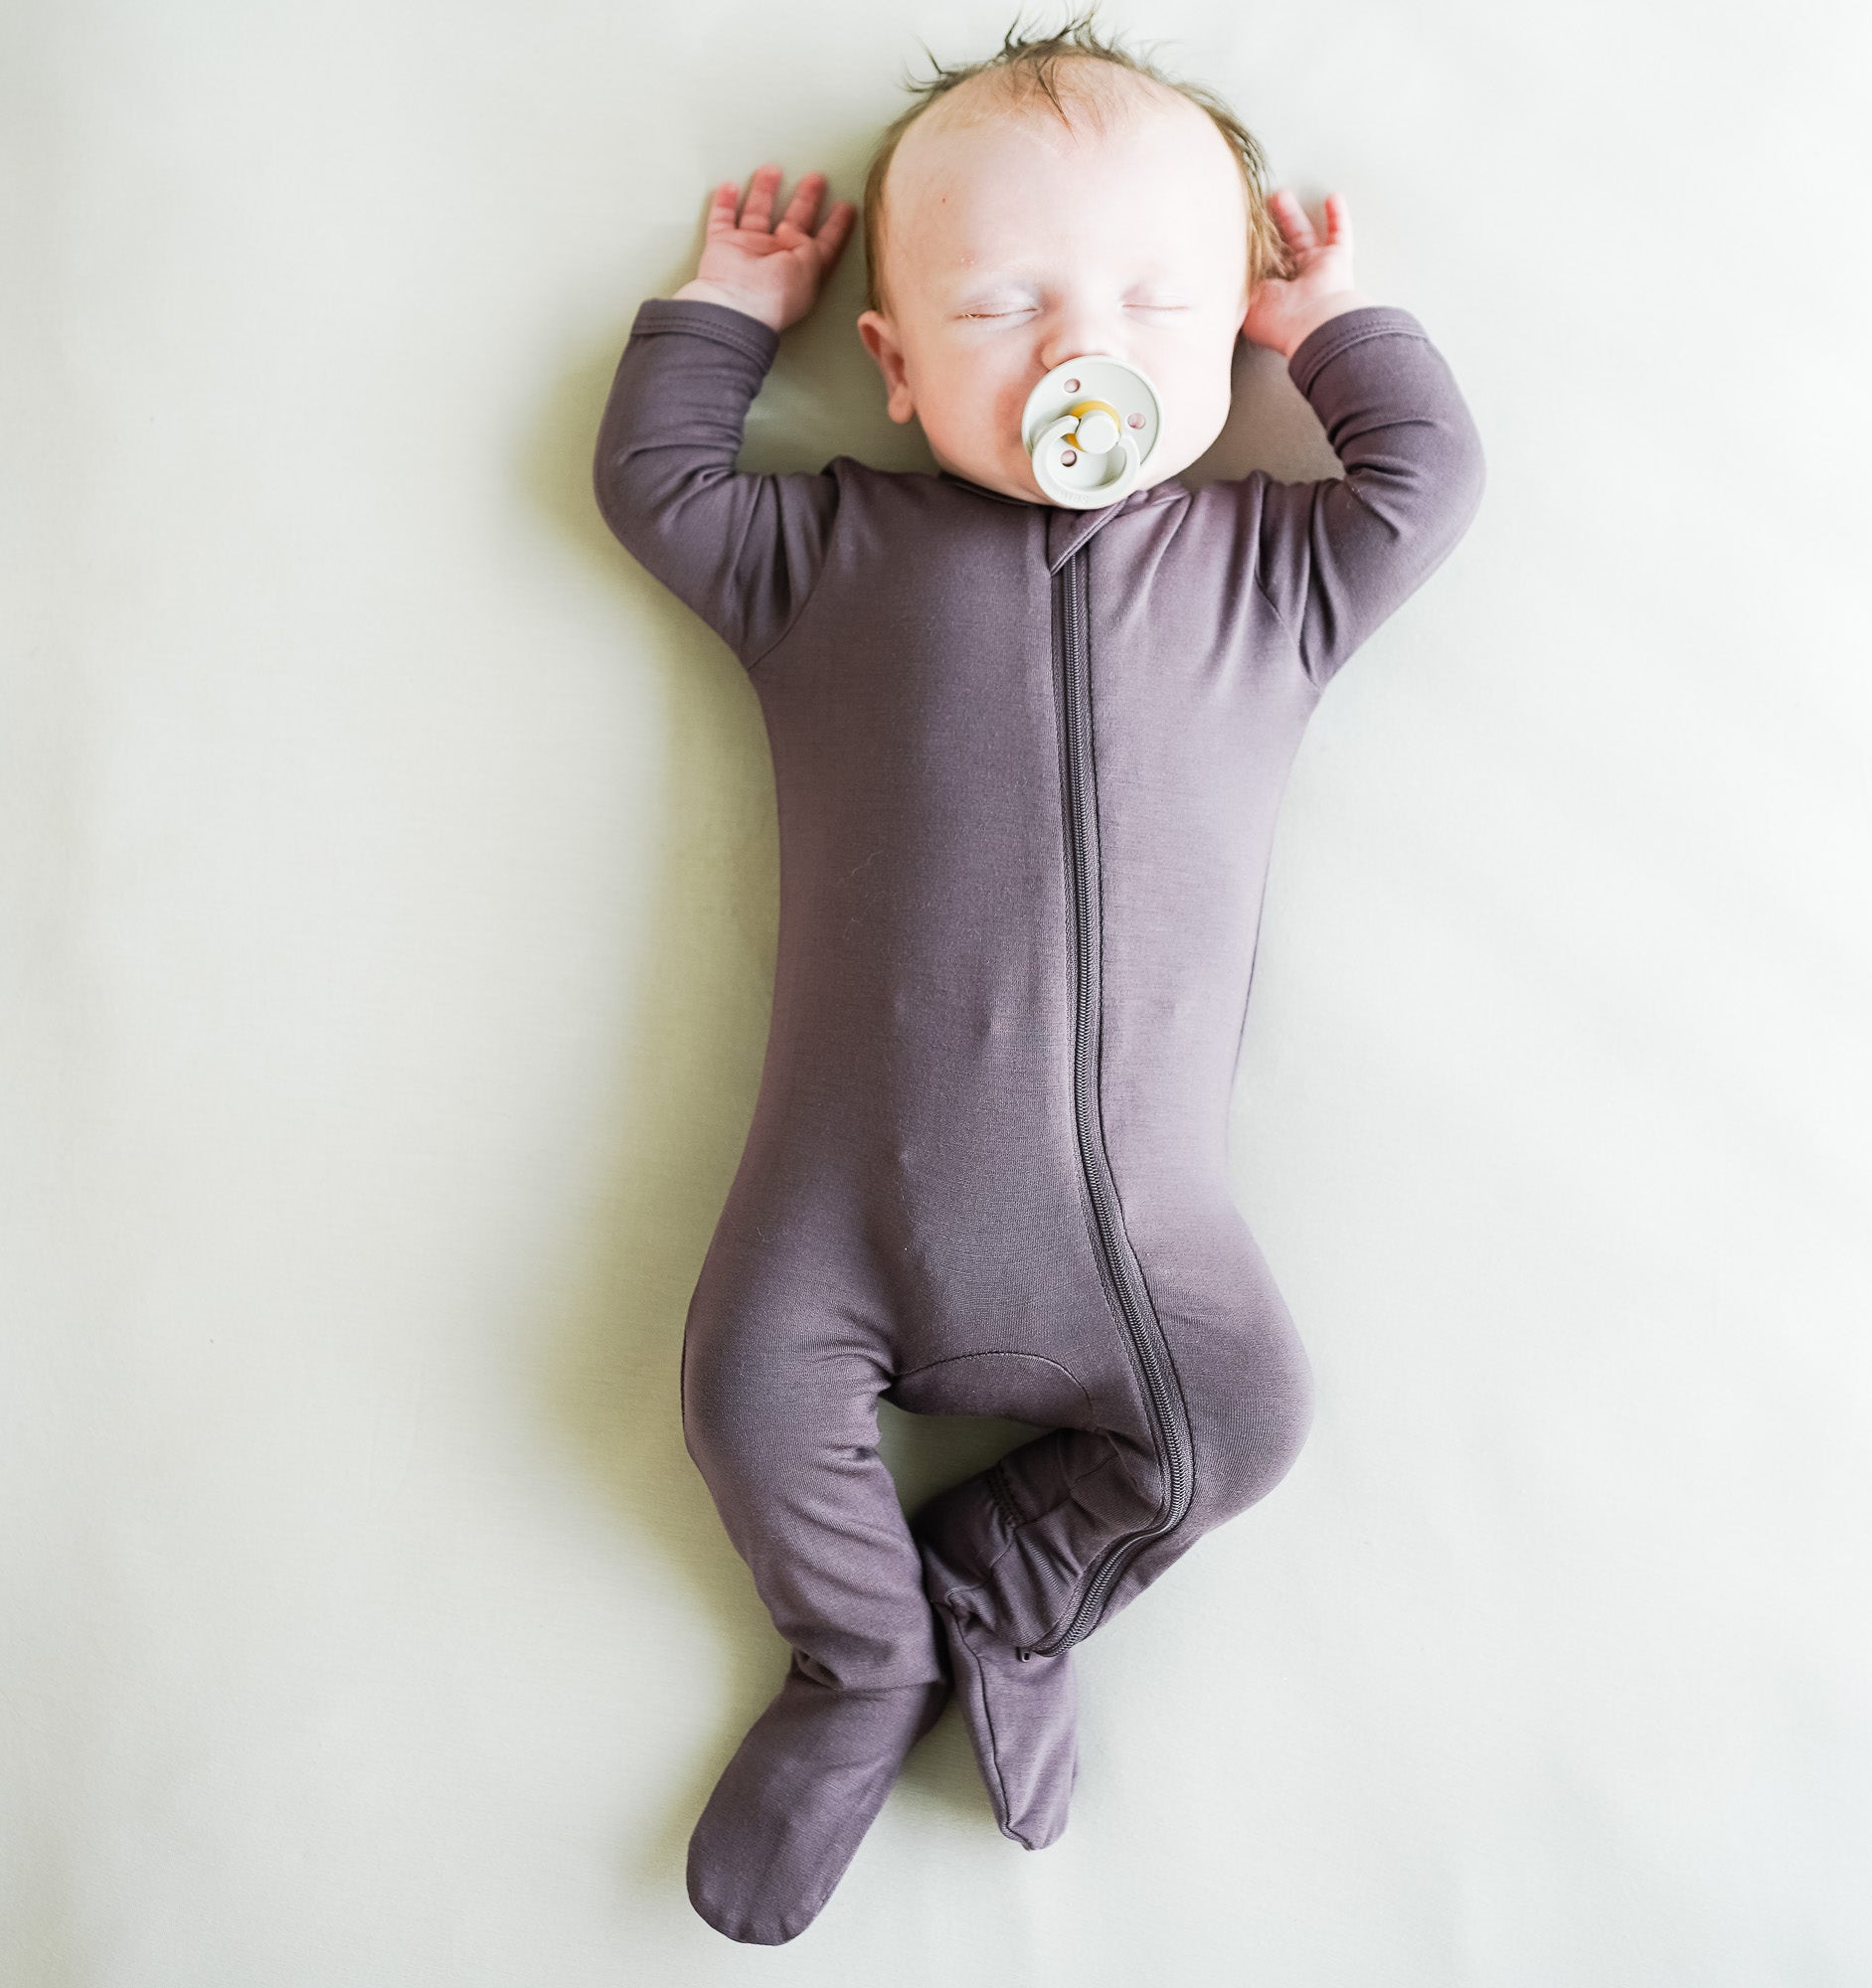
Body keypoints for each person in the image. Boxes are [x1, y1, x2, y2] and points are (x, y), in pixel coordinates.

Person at [592, 10, 1485, 1946]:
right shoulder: (823, 555)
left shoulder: (1267, 572)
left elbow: (1422, 485)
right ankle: (855, 1659)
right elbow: (662, 486)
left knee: (1245, 1423)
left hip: (1147, 1271)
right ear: (897, 370)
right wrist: (726, 310)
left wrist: (1337, 325)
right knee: (741, 1393)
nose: (1084, 346)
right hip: (831, 1230)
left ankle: (996, 1590)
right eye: (1004, 304)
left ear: (1220, 331)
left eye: (1158, 298)